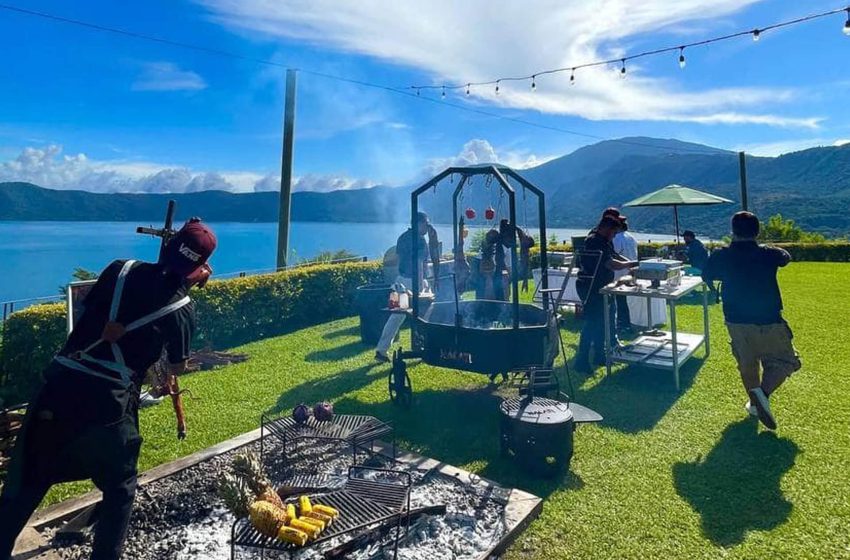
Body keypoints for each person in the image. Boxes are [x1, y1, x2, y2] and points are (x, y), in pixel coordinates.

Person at [0, 218, 217, 560]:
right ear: (199, 266)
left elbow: (93, 310)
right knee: (119, 488)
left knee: (29, 476)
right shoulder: (182, 310)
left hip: (58, 386)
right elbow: (176, 367)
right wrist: (184, 290)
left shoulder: (120, 269)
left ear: (169, 244)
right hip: (108, 405)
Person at [702, 211, 800, 430]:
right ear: (757, 231)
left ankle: (755, 403)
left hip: (735, 319)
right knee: (786, 361)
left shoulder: (721, 255)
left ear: (733, 231)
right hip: (768, 318)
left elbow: (707, 274)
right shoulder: (768, 254)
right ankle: (761, 395)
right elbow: (786, 257)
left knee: (747, 362)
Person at [574, 216, 638, 374]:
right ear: (606, 229)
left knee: (602, 323)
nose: (614, 236)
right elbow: (610, 263)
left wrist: (632, 263)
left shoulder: (605, 240)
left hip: (603, 286)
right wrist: (630, 264)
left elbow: (615, 255)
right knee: (591, 324)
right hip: (590, 287)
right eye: (614, 233)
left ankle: (599, 356)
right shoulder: (593, 241)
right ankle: (581, 361)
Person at [375, 212, 436, 363]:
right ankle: (424, 345)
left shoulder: (402, 237)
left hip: (400, 280)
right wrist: (421, 287)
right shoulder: (421, 241)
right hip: (413, 283)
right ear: (419, 223)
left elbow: (399, 260)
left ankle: (381, 350)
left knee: (395, 317)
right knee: (425, 312)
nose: (427, 227)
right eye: (426, 224)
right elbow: (419, 264)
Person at [613, 217, 638, 332]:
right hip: (630, 272)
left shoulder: (616, 238)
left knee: (619, 300)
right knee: (622, 300)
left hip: (619, 273)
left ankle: (622, 323)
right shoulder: (632, 237)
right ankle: (625, 322)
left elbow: (615, 255)